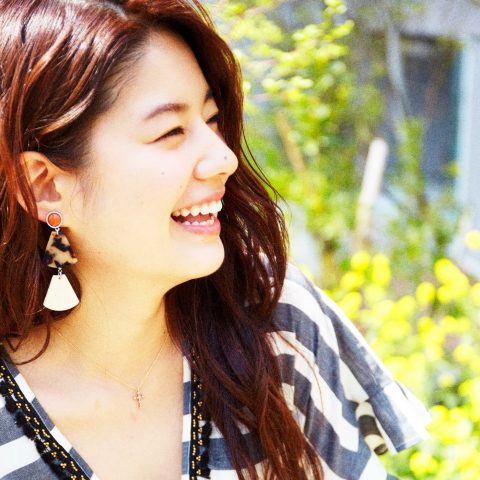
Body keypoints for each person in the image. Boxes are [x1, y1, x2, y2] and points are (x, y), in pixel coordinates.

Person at [0, 1, 430, 479]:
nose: (224, 158)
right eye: (171, 131)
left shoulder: (272, 320)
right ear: (44, 185)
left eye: (211, 119)